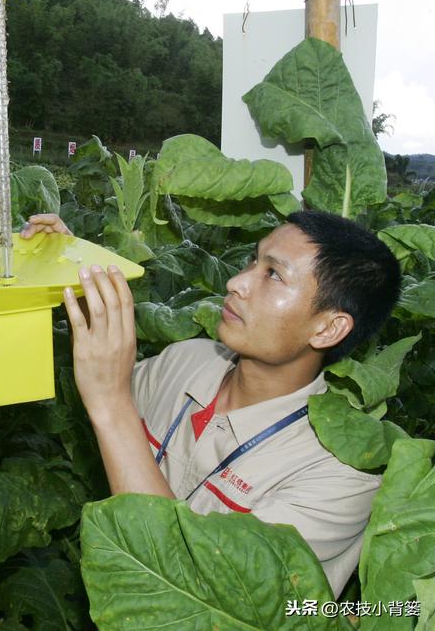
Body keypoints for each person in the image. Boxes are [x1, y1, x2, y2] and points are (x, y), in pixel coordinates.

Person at [20, 210, 401, 597]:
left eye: (273, 275)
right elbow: (107, 382)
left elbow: (193, 589)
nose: (237, 282)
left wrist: (111, 402)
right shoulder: (187, 359)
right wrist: (78, 273)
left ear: (328, 328)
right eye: (254, 259)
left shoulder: (341, 476)